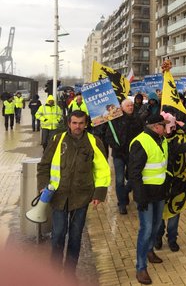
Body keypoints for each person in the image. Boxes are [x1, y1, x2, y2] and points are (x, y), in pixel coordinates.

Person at [36, 110, 110, 272]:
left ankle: (70, 273)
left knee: (75, 237)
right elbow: (43, 166)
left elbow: (102, 169)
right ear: (69, 123)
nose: (77, 126)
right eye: (74, 123)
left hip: (81, 197)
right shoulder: (57, 140)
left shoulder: (94, 141)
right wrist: (43, 185)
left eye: (81, 123)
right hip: (58, 196)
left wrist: (99, 193)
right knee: (58, 236)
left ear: (86, 124)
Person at [128, 114, 170, 285]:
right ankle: (141, 267)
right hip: (145, 194)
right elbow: (134, 173)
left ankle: (150, 251)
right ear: (155, 126)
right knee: (145, 229)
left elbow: (174, 152)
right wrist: (139, 196)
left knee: (157, 225)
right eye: (163, 124)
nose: (166, 127)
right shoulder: (141, 142)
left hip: (159, 192)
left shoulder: (162, 140)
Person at [155, 111, 186, 252]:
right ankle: (158, 237)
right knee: (160, 213)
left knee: (175, 211)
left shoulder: (181, 137)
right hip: (160, 183)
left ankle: (172, 238)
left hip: (178, 182)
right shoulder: (155, 140)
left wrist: (184, 126)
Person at [104, 99, 144, 214]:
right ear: (122, 108)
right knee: (119, 180)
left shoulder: (138, 119)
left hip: (133, 154)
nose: (130, 107)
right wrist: (116, 145)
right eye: (128, 106)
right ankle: (122, 203)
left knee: (133, 178)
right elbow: (108, 136)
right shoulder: (114, 120)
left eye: (131, 105)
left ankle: (125, 192)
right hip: (119, 154)